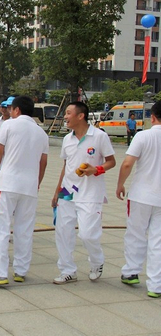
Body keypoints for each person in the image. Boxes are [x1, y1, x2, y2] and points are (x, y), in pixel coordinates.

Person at [0, 96, 49, 285]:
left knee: (0, 227)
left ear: (17, 110)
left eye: (11, 109)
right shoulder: (41, 133)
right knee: (24, 229)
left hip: (8, 184)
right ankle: (20, 270)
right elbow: (43, 162)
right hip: (29, 187)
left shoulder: (9, 126)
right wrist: (37, 182)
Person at [52, 101, 116, 285]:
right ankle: (67, 270)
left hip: (90, 193)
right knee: (63, 233)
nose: (65, 116)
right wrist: (57, 191)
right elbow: (66, 166)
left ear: (80, 116)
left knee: (88, 234)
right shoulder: (67, 139)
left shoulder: (99, 136)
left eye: (68, 113)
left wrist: (96, 169)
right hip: (67, 192)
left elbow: (111, 161)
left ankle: (96, 262)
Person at [116, 101, 161, 299]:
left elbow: (127, 163)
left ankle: (131, 271)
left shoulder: (143, 136)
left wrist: (120, 184)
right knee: (158, 240)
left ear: (152, 117)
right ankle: (156, 285)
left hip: (141, 195)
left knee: (136, 233)